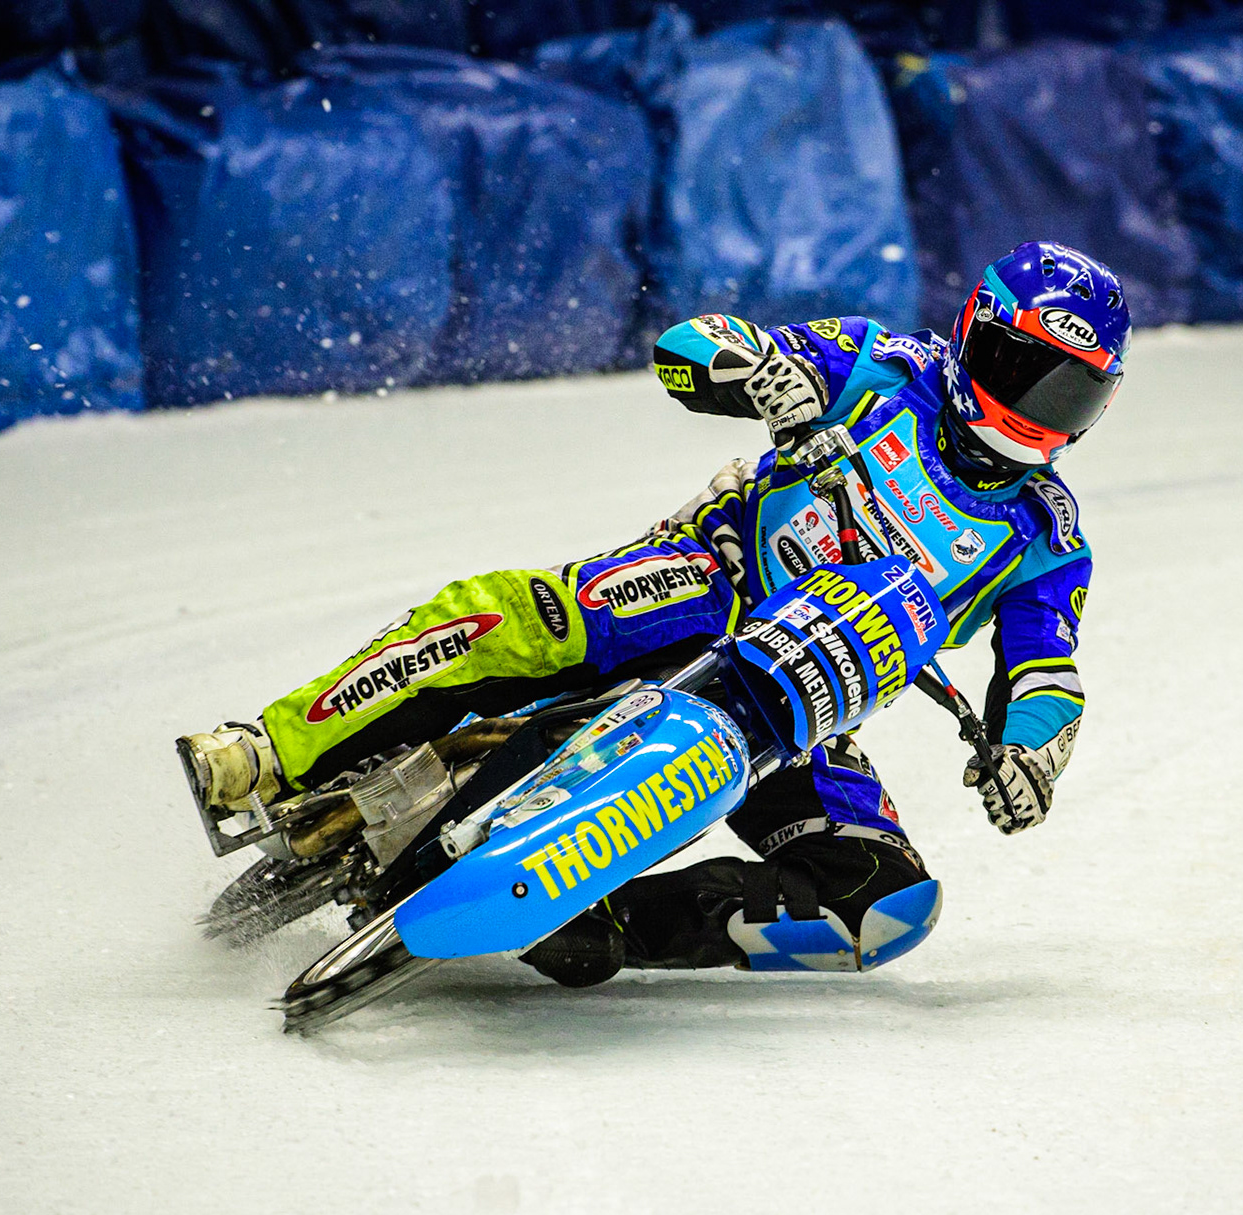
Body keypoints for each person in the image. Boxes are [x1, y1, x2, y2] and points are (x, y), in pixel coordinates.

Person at [178, 240, 1128, 987]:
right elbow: (689, 347)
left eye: (1068, 391)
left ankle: (609, 921)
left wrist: (1029, 753)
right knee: (522, 615)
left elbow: (1046, 671)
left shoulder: (1048, 536)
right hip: (704, 583)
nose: (1035, 407)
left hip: (803, 706)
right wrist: (759, 370)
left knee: (883, 907)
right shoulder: (883, 364)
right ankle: (269, 749)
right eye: (1023, 369)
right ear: (975, 334)